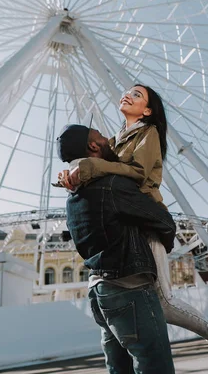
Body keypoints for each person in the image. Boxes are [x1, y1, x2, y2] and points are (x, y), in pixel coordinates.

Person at [58, 85, 208, 372]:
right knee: (161, 308)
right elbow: (97, 165)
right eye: (127, 92)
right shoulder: (117, 139)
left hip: (144, 217)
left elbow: (135, 174)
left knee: (166, 303)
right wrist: (72, 171)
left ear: (147, 110)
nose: (127, 95)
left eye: (136, 95)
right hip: (126, 222)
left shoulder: (149, 133)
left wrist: (89, 167)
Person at [57, 124, 176, 374]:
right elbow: (164, 222)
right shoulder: (112, 185)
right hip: (129, 288)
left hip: (98, 292)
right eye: (100, 135)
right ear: (93, 146)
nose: (108, 139)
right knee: (155, 366)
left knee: (118, 369)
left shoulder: (73, 197)